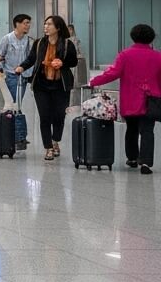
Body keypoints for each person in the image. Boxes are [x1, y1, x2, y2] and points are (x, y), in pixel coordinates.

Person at [90, 24, 161, 173]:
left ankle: (133, 158)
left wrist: (93, 81)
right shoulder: (158, 56)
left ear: (133, 36)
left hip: (131, 99)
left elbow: (113, 73)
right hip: (152, 99)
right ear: (151, 38)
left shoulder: (125, 54)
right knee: (148, 130)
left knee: (131, 129)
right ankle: (146, 163)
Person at [15, 15, 77, 162]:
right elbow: (31, 59)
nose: (46, 26)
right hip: (41, 84)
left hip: (60, 85)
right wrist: (22, 67)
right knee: (44, 116)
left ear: (58, 27)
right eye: (45, 24)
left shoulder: (67, 44)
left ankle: (56, 140)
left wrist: (62, 63)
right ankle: (48, 147)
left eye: (49, 24)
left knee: (59, 116)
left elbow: (73, 62)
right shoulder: (39, 43)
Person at [0, 14, 33, 110]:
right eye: (25, 23)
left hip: (24, 75)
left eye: (29, 23)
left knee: (20, 104)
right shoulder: (7, 39)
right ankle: (11, 121)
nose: (28, 25)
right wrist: (0, 70)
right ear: (17, 24)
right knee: (13, 103)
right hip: (11, 75)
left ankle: (17, 121)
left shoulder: (29, 40)